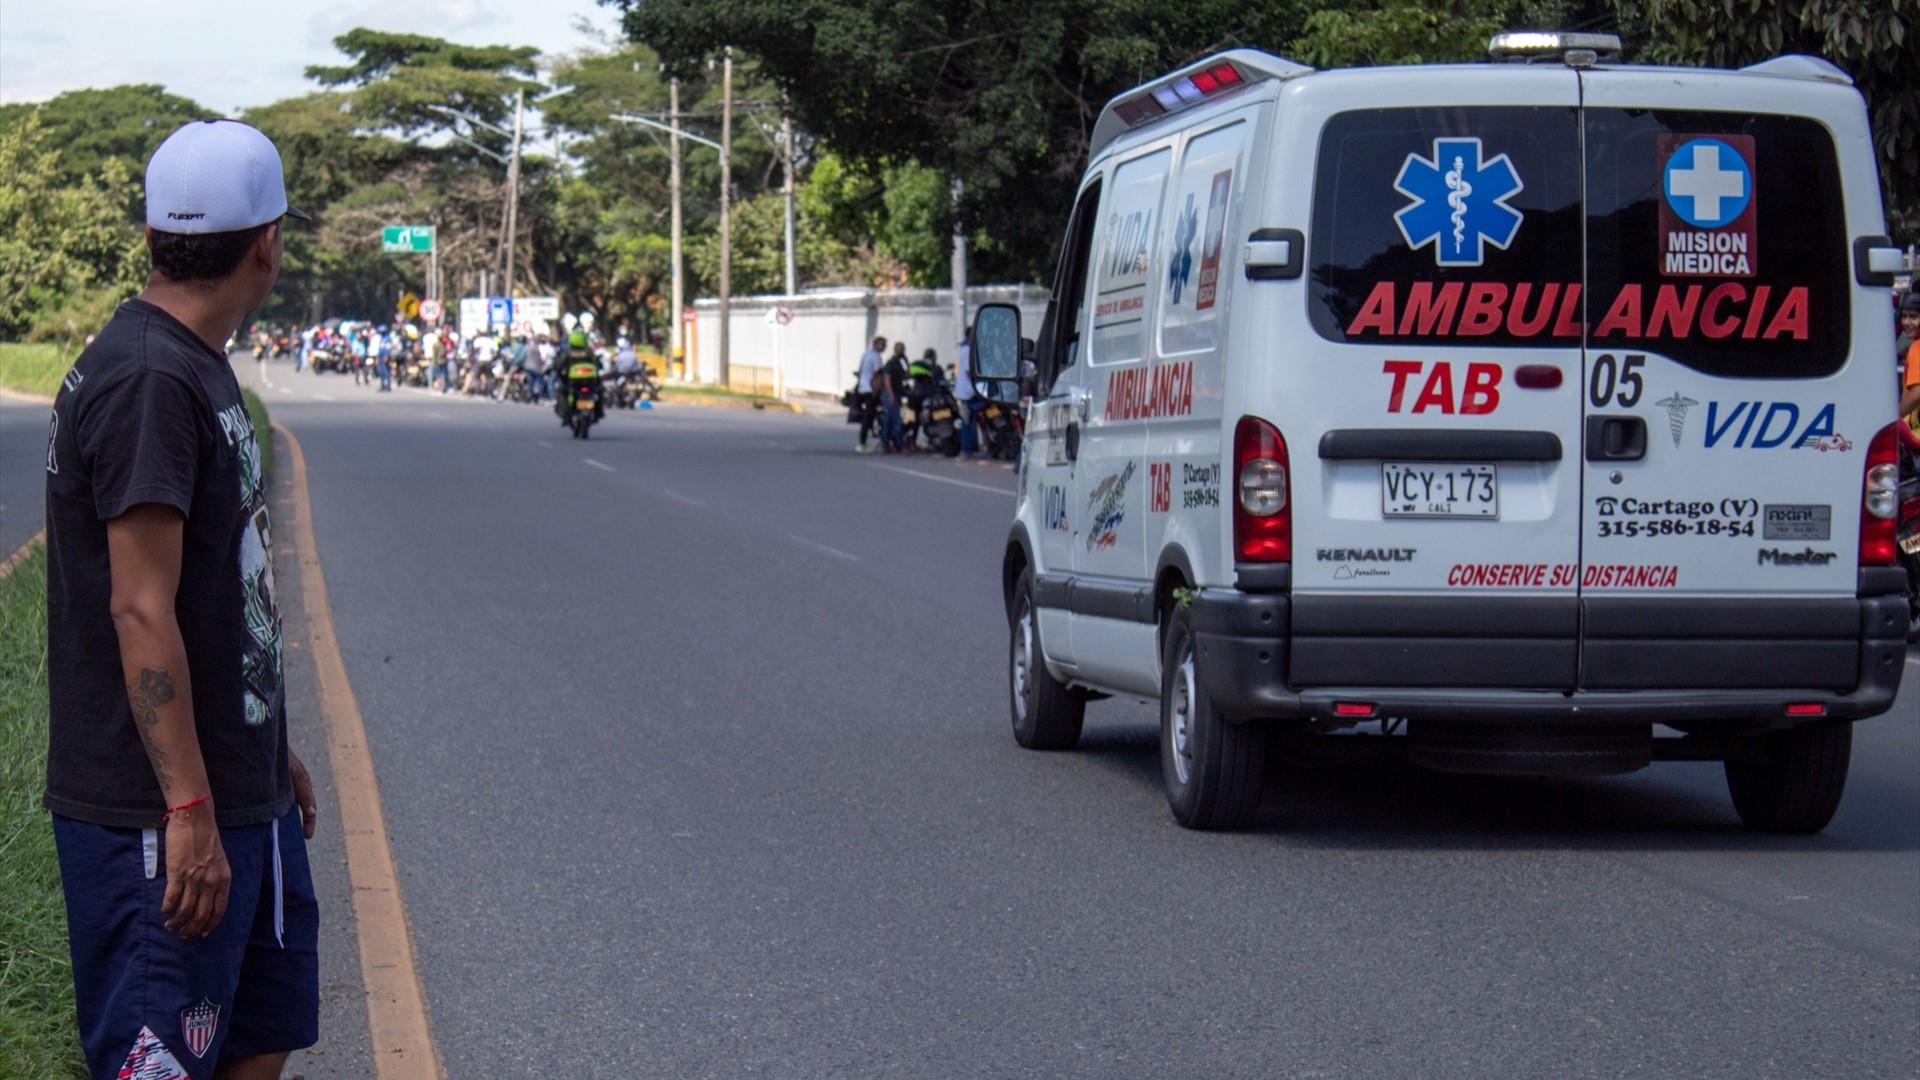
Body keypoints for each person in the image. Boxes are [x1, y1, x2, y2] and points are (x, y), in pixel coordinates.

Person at [42, 118, 320, 1080]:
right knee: (157, 1065)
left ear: (157, 234)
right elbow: (139, 609)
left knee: (253, 1039)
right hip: (157, 816)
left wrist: (266, 744)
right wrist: (191, 809)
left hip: (240, 792)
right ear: (266, 244)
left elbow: (215, 585)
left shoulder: (193, 365)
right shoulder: (151, 378)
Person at [554, 328, 603, 424]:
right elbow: (599, 365)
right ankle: (599, 412)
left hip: (573, 383)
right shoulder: (589, 353)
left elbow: (559, 366)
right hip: (590, 382)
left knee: (561, 391)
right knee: (599, 391)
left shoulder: (567, 353)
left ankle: (566, 414)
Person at [854, 335, 885, 453]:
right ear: (876, 344)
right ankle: (862, 442)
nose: (884, 347)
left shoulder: (866, 354)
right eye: (883, 344)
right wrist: (877, 391)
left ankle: (865, 438)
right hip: (870, 389)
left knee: (868, 416)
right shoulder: (876, 357)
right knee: (869, 416)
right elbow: (877, 375)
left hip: (862, 387)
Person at [879, 343, 910, 453]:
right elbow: (887, 379)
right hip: (891, 394)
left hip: (898, 393)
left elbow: (907, 375)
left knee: (893, 419)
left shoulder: (900, 363)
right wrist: (891, 394)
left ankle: (888, 444)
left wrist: (906, 363)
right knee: (894, 420)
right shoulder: (891, 363)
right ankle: (899, 445)